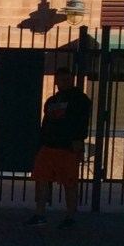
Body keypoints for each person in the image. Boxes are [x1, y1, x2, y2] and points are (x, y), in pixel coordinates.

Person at [24, 66, 91, 228]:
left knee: (70, 183)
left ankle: (71, 217)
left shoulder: (80, 99)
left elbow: (82, 123)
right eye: (61, 79)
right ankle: (40, 214)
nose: (65, 81)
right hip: (48, 147)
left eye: (67, 78)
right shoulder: (51, 101)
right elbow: (45, 124)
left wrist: (78, 142)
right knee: (41, 180)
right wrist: (40, 145)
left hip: (68, 149)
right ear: (56, 81)